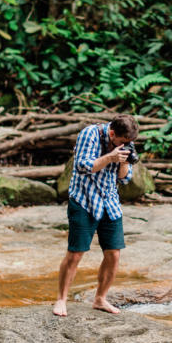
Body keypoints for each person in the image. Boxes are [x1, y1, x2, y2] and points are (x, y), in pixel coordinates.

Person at [52, 114, 138, 317]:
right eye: (123, 142)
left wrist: (124, 162)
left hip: (110, 201)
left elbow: (125, 180)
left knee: (114, 254)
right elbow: (83, 166)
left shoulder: (126, 141)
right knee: (75, 253)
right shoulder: (89, 134)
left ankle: (100, 299)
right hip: (84, 200)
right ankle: (61, 299)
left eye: (130, 143)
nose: (126, 145)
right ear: (112, 133)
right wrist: (110, 157)